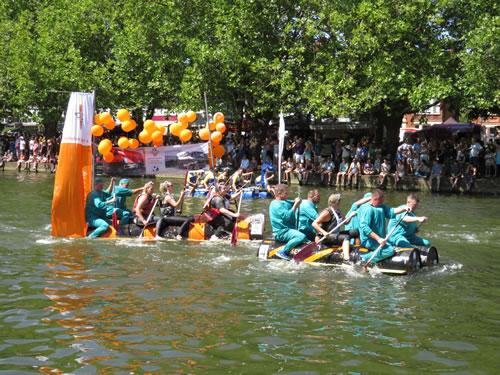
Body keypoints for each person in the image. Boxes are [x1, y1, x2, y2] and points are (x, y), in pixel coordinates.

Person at [357, 189, 409, 264]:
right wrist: (378, 239)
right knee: (390, 251)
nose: (382, 203)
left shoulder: (380, 206)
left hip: (380, 238)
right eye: (381, 201)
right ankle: (364, 259)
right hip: (368, 240)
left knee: (395, 246)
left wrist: (404, 209)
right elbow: (365, 228)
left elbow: (391, 211)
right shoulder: (367, 209)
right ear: (374, 199)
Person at [312, 193, 358, 261]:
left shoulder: (338, 211)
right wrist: (324, 232)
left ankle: (358, 249)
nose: (340, 203)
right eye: (340, 201)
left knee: (356, 232)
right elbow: (314, 223)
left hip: (335, 234)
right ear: (337, 202)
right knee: (346, 237)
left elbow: (346, 222)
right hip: (326, 237)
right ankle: (346, 259)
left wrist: (351, 215)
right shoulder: (327, 212)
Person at [269, 184, 306, 259]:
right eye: (285, 193)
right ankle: (283, 251)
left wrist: (297, 201)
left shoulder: (284, 201)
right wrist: (295, 204)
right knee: (301, 236)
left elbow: (290, 202)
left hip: (289, 230)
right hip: (282, 232)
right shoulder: (276, 205)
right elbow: (287, 216)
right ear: (279, 194)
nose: (287, 194)